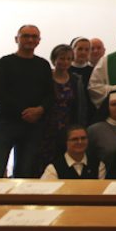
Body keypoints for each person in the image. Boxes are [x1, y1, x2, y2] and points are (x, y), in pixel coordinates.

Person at [0, 25, 54, 178]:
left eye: (34, 36)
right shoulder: (4, 63)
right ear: (16, 39)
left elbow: (50, 94)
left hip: (32, 126)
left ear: (39, 41)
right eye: (25, 36)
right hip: (5, 124)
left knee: (25, 172)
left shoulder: (43, 65)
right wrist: (25, 112)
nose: (30, 40)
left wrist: (40, 109)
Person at [38, 44, 89, 176]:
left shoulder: (76, 80)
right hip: (46, 128)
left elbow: (81, 106)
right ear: (54, 59)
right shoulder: (45, 77)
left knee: (64, 163)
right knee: (44, 162)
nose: (65, 62)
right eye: (61, 58)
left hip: (68, 128)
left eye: (68, 59)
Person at [40, 125, 106, 180]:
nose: (80, 142)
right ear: (65, 142)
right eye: (75, 139)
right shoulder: (53, 169)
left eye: (83, 138)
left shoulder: (98, 165)